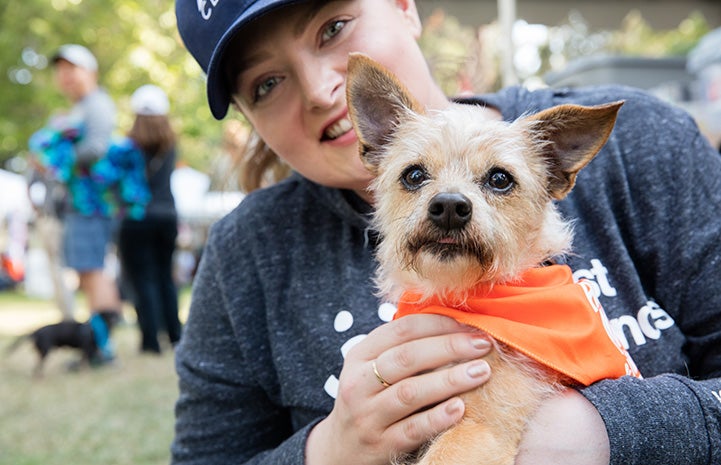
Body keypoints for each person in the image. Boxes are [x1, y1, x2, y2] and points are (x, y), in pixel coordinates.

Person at [171, 1, 721, 464]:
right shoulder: (246, 251)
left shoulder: (650, 144)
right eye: (267, 83)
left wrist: (604, 429)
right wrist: (327, 449)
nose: (319, 90)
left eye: (333, 27)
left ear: (405, 5)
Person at [29, 44, 121, 365]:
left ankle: (102, 348)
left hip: (91, 205)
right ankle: (97, 345)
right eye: (61, 70)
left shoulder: (96, 104)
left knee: (92, 271)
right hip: (79, 206)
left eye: (73, 68)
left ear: (90, 72)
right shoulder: (77, 109)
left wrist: (53, 165)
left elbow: (96, 149)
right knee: (87, 271)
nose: (66, 76)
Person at [117, 84, 182, 355]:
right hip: (167, 216)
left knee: (143, 280)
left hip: (137, 217)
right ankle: (176, 335)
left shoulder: (127, 148)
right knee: (165, 277)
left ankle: (151, 341)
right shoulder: (171, 144)